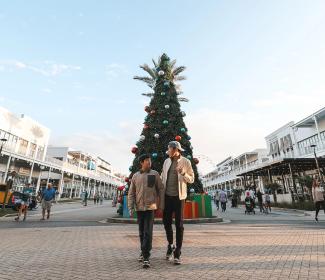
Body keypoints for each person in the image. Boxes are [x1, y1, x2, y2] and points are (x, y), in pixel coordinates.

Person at [128, 153, 164, 268]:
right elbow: (131, 193)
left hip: (150, 207)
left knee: (148, 232)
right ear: (142, 162)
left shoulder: (155, 174)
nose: (149, 162)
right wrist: (130, 207)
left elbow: (161, 189)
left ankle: (146, 257)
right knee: (141, 232)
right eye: (147, 161)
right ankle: (143, 252)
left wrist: (161, 205)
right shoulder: (135, 176)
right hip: (139, 208)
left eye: (150, 161)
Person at [161, 141, 194, 265]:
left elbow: (192, 179)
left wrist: (183, 173)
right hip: (167, 197)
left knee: (179, 225)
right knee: (166, 223)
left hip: (179, 198)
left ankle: (178, 252)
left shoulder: (186, 161)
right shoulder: (166, 162)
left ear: (175, 149)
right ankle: (171, 245)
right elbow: (162, 176)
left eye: (169, 149)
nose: (168, 152)